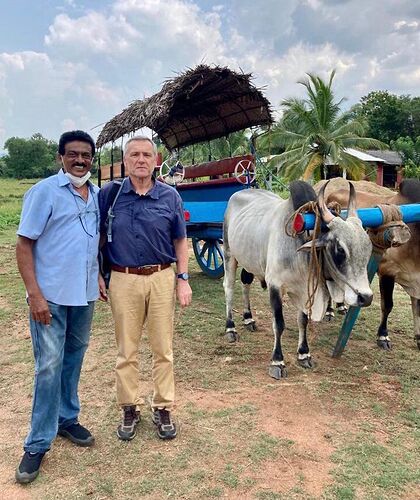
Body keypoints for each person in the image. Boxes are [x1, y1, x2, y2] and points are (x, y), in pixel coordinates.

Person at [15, 130, 106, 484]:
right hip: (49, 297)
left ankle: (67, 418)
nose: (80, 160)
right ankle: (37, 443)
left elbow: (94, 241)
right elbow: (24, 246)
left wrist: (98, 274)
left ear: (92, 159)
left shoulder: (97, 195)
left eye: (86, 155)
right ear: (60, 157)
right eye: (73, 154)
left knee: (74, 359)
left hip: (83, 295)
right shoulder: (44, 193)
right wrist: (34, 295)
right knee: (48, 367)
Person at [99, 136, 192, 442]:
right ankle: (129, 407)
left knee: (163, 348)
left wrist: (183, 279)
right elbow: (97, 238)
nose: (141, 159)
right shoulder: (110, 196)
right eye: (134, 155)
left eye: (146, 155)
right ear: (125, 161)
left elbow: (180, 239)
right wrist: (97, 273)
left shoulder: (169, 196)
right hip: (122, 278)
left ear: (156, 159)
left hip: (161, 277)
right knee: (126, 349)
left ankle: (163, 407)